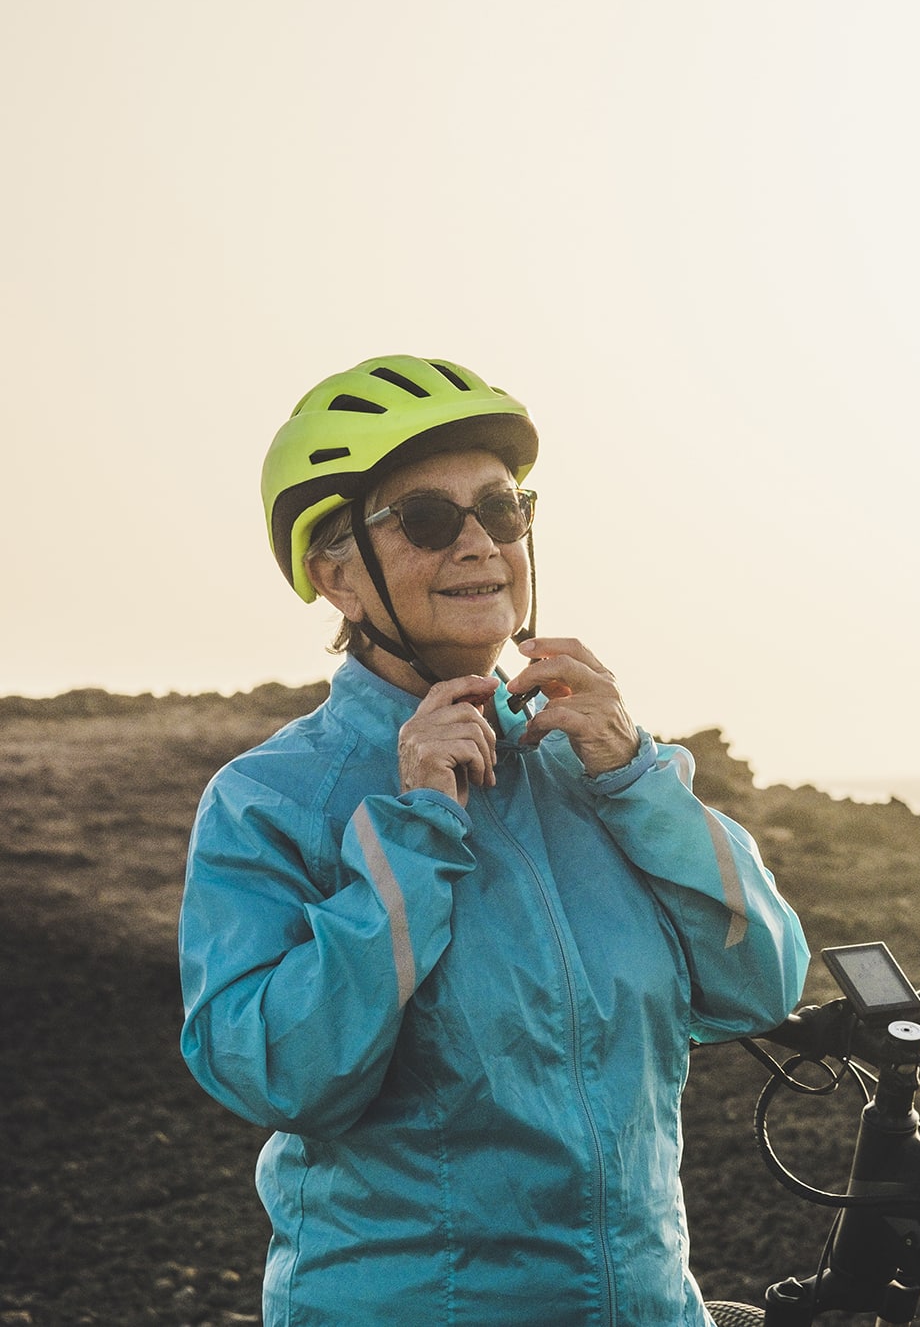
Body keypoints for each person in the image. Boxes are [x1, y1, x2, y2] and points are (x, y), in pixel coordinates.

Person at [179, 354, 809, 1325]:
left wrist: (635, 774)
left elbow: (760, 982)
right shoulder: (268, 798)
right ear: (337, 577)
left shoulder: (588, 764)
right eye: (430, 519)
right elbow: (280, 1075)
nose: (479, 541)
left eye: (503, 509)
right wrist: (415, 832)